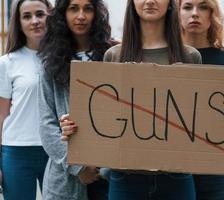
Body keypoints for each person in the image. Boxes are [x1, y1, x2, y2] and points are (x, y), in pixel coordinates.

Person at [61, 0, 202, 199]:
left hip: (177, 178)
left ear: (171, 3)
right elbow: (104, 117)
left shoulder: (190, 56)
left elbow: (199, 117)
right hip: (125, 180)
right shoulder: (113, 56)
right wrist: (75, 126)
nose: (150, 1)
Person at [38, 0, 115, 199]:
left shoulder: (113, 55)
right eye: (73, 9)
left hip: (109, 176)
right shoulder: (50, 63)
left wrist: (103, 168)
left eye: (88, 9)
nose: (81, 16)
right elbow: (47, 125)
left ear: (96, 14)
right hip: (65, 181)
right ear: (63, 14)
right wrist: (78, 167)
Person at [178, 0, 224, 199]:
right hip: (175, 169)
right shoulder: (166, 58)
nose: (195, 13)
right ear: (178, 13)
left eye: (203, 7)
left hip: (219, 171)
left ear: (213, 14)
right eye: (188, 7)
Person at [0, 0, 52, 199]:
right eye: (27, 16)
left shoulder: (63, 58)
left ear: (50, 16)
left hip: (54, 150)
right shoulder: (7, 62)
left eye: (40, 14)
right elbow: (2, 114)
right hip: (16, 151)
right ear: (19, 23)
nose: (35, 21)